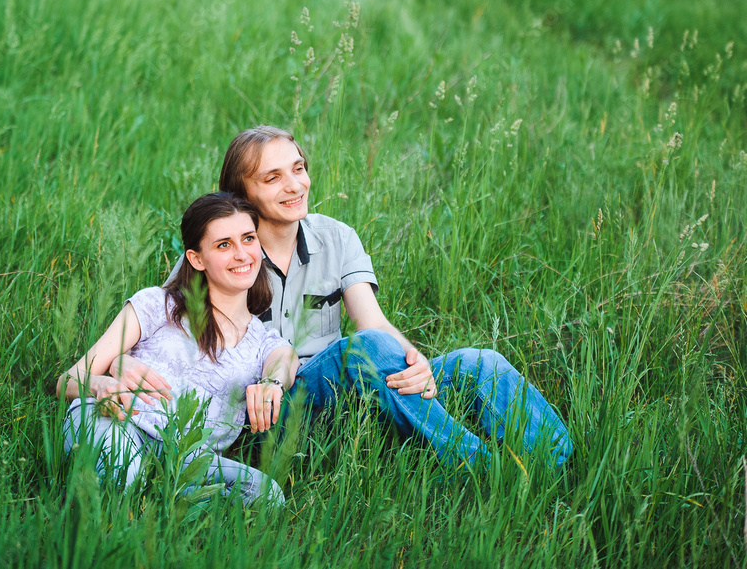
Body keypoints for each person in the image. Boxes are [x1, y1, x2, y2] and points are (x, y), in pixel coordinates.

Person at [117, 126, 573, 470]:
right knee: (367, 353)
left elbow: (372, 324)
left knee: (480, 363)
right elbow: (166, 342)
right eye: (272, 177)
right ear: (242, 194)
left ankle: (558, 464)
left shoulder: (335, 237)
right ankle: (483, 472)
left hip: (349, 387)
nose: (294, 185)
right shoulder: (222, 255)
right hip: (265, 413)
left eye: (298, 169)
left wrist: (414, 361)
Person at [57, 192, 298, 505]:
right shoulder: (158, 305)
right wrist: (101, 384)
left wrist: (271, 383)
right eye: (224, 244)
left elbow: (285, 359)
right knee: (122, 472)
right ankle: (137, 498)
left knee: (268, 496)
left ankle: (161, 497)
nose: (242, 254)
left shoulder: (264, 340)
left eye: (248, 239)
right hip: (119, 424)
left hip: (188, 458)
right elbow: (68, 380)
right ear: (197, 259)